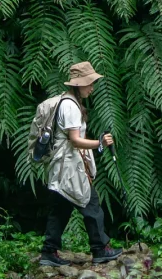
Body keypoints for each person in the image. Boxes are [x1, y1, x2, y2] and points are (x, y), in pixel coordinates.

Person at [39, 60, 121, 267]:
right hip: (70, 166)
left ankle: (49, 252)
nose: (92, 87)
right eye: (89, 83)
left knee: (61, 207)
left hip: (63, 165)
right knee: (91, 204)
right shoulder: (70, 106)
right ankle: (100, 249)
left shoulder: (67, 102)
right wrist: (99, 143)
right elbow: (75, 140)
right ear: (78, 84)